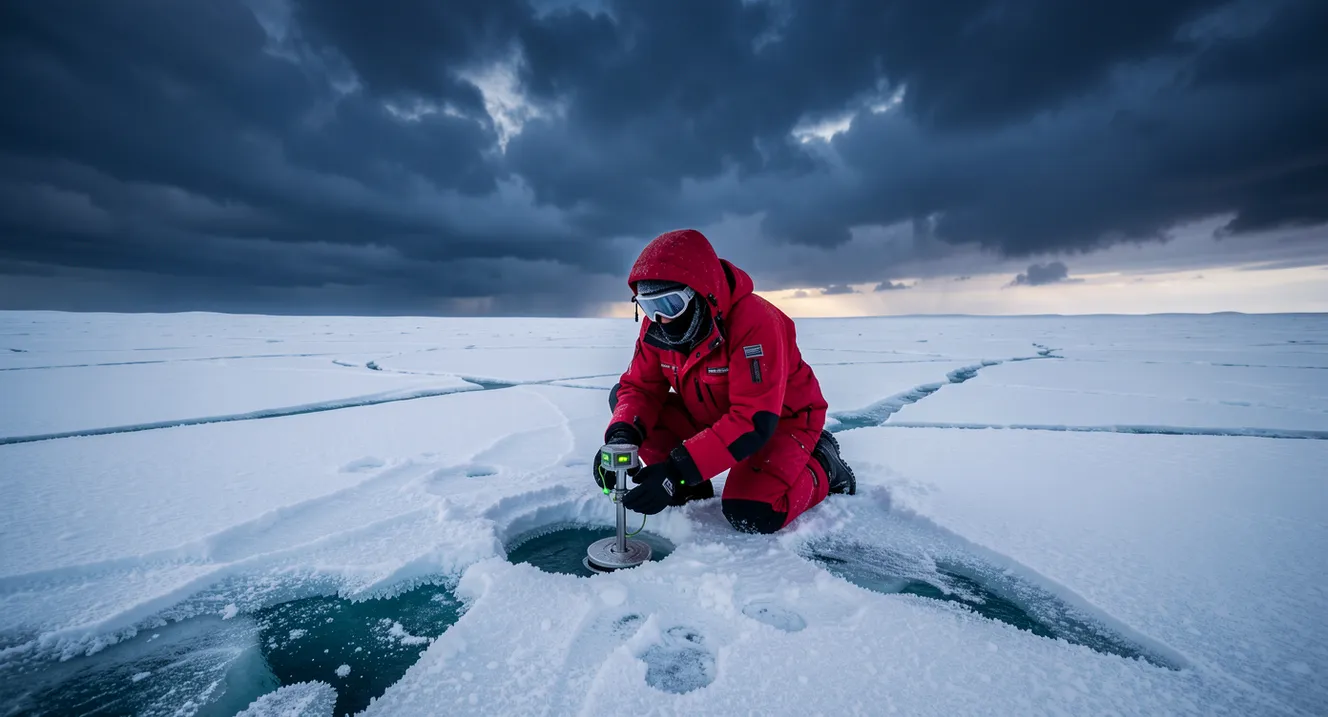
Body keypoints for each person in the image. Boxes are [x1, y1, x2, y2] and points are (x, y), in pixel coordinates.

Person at [594, 228, 856, 534]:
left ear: (700, 292)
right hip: (710, 415)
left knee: (752, 512)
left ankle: (824, 464)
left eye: (668, 306)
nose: (660, 320)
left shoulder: (756, 323)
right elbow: (639, 388)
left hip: (780, 422)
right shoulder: (658, 329)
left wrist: (676, 469)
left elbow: (752, 420)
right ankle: (691, 485)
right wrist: (619, 440)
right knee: (625, 405)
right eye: (648, 308)